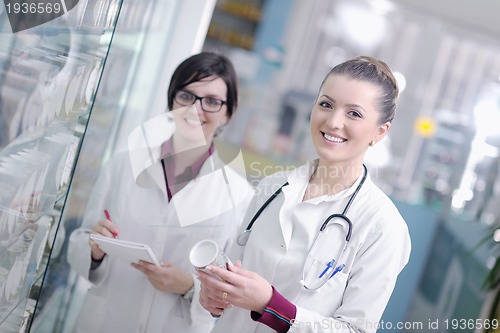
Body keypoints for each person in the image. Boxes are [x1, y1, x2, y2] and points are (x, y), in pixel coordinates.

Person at [197, 56, 412, 333]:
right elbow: (232, 281)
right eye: (326, 104)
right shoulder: (272, 188)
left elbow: (355, 330)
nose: (334, 121)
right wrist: (214, 294)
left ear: (380, 132)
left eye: (354, 113)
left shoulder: (383, 226)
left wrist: (271, 305)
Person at [67, 51, 254, 333]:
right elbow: (80, 240)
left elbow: (233, 295)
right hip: (106, 321)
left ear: (228, 113)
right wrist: (94, 251)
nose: (196, 109)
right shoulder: (123, 166)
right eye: (186, 96)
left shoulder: (239, 197)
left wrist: (189, 287)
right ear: (172, 101)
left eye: (212, 102)